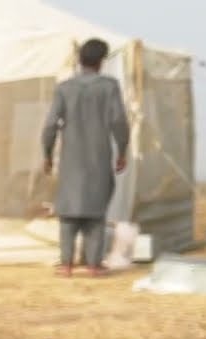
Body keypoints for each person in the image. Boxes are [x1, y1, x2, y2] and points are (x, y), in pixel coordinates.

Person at [42, 37, 131, 278]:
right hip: (98, 156)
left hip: (70, 158)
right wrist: (122, 150)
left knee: (68, 211)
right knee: (95, 211)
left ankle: (67, 264)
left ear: (80, 60)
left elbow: (50, 124)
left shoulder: (65, 88)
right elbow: (118, 121)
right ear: (101, 61)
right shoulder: (109, 86)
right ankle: (93, 264)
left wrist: (47, 154)